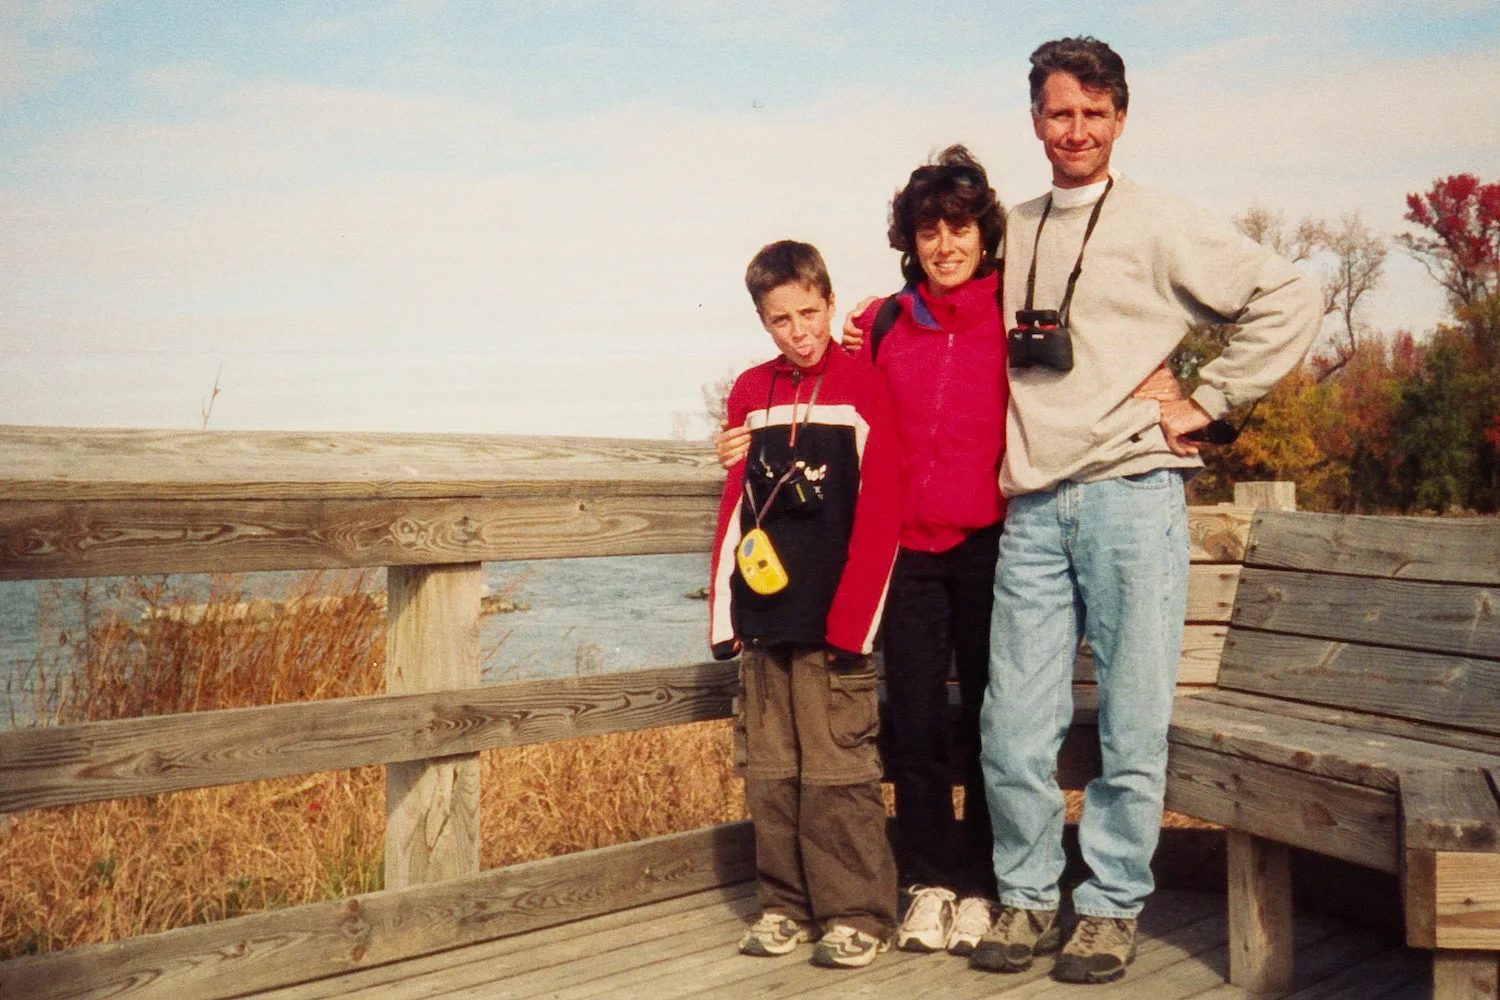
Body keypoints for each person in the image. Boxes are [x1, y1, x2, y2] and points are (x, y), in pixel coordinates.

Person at [718, 150, 1180, 960]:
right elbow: (832, 401)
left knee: (995, 725)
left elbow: (1095, 357)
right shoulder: (886, 321)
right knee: (920, 724)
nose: (944, 243)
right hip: (907, 552)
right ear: (911, 239)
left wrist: (1169, 385)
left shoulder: (1012, 305)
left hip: (994, 542)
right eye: (928, 230)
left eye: (959, 227)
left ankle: (984, 886)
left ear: (983, 233)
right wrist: (740, 445)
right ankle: (930, 881)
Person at [968, 38, 1322, 985]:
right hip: (1034, 509)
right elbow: (943, 297)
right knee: (1012, 724)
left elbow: (1290, 295)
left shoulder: (1163, 224)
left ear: (1120, 117)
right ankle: (1028, 896)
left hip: (1131, 498)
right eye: (1056, 112)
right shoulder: (1013, 226)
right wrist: (862, 323)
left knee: (1131, 719)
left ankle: (1111, 907)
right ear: (1034, 120)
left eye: (1092, 112)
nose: (1074, 129)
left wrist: (1205, 396)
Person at [708, 239, 902, 969]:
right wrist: (724, 617)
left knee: (837, 772)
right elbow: (735, 505)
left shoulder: (867, 386)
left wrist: (855, 620)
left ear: (828, 299)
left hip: (834, 620)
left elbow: (884, 510)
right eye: (781, 319)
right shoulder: (749, 390)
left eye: (811, 312)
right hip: (763, 619)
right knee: (771, 770)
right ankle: (783, 905)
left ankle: (856, 912)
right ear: (764, 321)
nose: (800, 330)